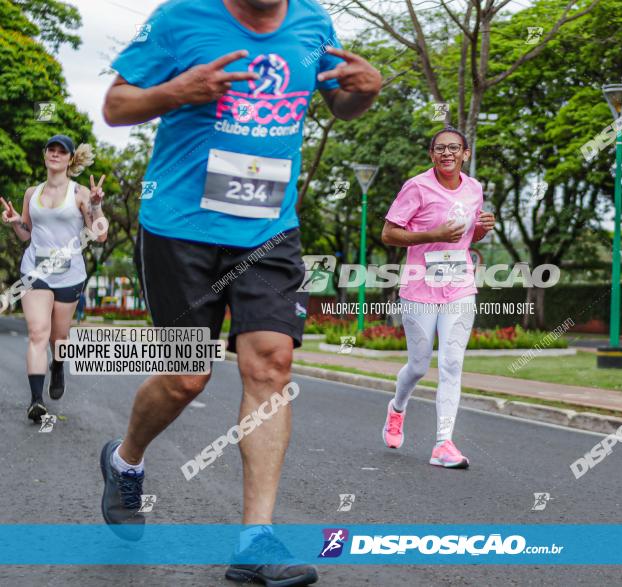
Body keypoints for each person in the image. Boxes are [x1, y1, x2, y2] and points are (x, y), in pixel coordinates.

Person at [100, 0, 381, 584]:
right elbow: (115, 105)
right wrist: (178, 90)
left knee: (272, 364)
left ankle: (257, 539)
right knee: (186, 376)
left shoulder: (315, 23)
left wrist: (365, 90)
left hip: (268, 226)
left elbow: (342, 103)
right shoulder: (181, 19)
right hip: (181, 225)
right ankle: (126, 460)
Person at [380, 127, 495, 469]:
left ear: (466, 154)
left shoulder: (475, 189)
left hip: (459, 284)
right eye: (440, 148)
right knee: (418, 365)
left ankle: (443, 443)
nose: (448, 153)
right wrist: (433, 234)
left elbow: (465, 236)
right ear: (431, 155)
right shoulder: (416, 187)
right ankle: (397, 408)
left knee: (452, 362)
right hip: (419, 285)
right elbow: (388, 234)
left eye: (454, 148)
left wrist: (481, 230)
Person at [0, 135, 107, 422]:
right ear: (45, 154)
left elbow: (100, 235)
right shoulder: (31, 193)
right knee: (37, 333)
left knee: (58, 338)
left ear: (70, 159)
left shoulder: (80, 193)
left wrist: (95, 205)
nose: (56, 154)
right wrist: (14, 224)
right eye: (51, 149)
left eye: (62, 151)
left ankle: (57, 364)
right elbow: (27, 233)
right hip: (35, 271)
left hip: (69, 274)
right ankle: (36, 400)